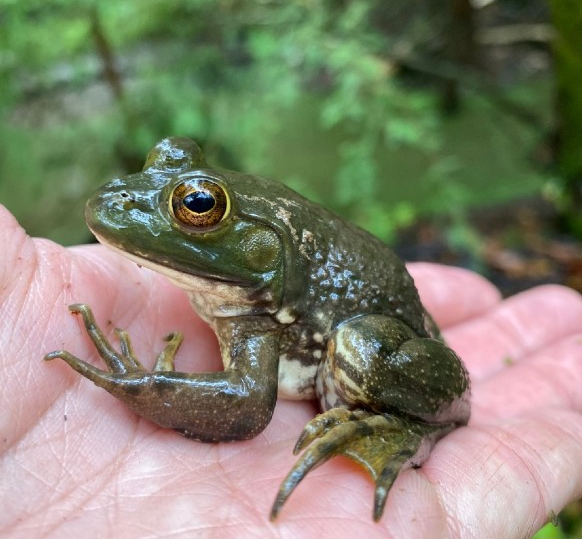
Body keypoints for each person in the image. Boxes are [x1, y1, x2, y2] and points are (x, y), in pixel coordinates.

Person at [1, 202, 581, 538]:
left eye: (196, 208)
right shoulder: (243, 298)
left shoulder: (258, 310)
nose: (135, 204)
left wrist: (135, 385)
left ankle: (410, 426)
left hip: (381, 331)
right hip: (376, 301)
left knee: (359, 348)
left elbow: (246, 404)